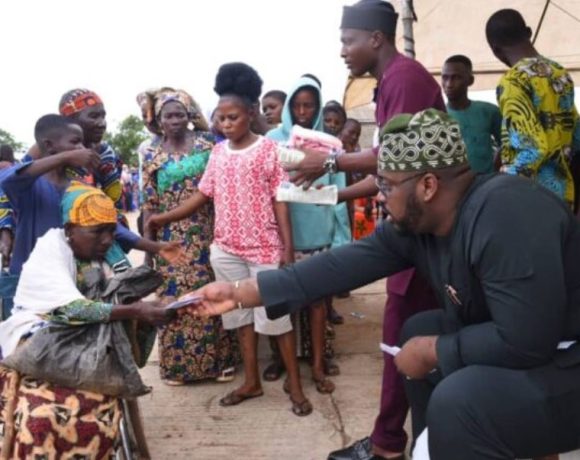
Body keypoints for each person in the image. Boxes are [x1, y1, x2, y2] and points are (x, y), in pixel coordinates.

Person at [186, 109, 580, 460]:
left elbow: (526, 340)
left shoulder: (505, 214)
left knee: (459, 402)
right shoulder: (417, 226)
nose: (380, 197)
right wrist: (237, 294)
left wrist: (435, 351)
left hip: (565, 354)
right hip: (539, 349)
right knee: (419, 328)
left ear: (427, 186)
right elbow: (337, 267)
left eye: (387, 185)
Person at [279, 2, 443, 458]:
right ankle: (396, 439)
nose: (342, 51)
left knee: (399, 339)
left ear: (375, 38)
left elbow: (398, 155)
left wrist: (329, 161)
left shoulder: (406, 79)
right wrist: (328, 193)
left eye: (348, 40)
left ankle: (390, 445)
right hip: (410, 227)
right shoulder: (390, 83)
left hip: (423, 233)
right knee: (400, 338)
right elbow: (386, 171)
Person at [146, 62, 312, 416]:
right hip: (226, 250)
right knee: (240, 321)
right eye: (220, 119)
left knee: (277, 321)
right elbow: (202, 195)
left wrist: (287, 247)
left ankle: (296, 388)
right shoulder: (218, 153)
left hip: (264, 251)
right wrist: (163, 217)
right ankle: (251, 382)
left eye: (232, 117)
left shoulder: (267, 150)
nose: (225, 125)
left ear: (251, 114)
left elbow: (280, 199)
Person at [0, 183, 173, 459]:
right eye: (97, 232)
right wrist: (136, 311)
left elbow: (127, 307)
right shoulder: (50, 251)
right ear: (69, 230)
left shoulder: (110, 260)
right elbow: (69, 310)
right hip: (42, 350)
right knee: (37, 416)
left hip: (94, 355)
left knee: (92, 411)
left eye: (110, 230)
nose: (106, 240)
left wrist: (154, 311)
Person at [0, 115, 183, 277]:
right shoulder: (29, 186)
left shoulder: (80, 189)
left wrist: (158, 248)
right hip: (29, 279)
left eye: (82, 143)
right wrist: (66, 157)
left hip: (68, 279)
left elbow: (115, 230)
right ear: (49, 145)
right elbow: (7, 180)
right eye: (75, 142)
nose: (82, 148)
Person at [141, 89, 239, 385]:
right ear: (158, 120)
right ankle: (177, 368)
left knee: (212, 293)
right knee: (175, 299)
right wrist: (148, 251)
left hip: (207, 231)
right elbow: (149, 205)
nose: (174, 120)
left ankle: (219, 363)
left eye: (180, 114)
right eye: (168, 115)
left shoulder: (207, 144)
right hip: (169, 239)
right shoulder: (149, 152)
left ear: (189, 116)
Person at [266, 75, 345, 390]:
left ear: (317, 106)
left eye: (309, 105)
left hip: (319, 234)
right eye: (297, 105)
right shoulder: (273, 139)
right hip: (284, 236)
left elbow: (340, 194)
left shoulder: (330, 142)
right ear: (289, 106)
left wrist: (342, 241)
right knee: (286, 304)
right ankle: (287, 365)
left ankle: (317, 366)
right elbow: (269, 189)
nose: (302, 111)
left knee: (317, 305)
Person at [486, 9, 580, 208]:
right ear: (528, 32)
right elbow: (577, 134)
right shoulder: (560, 73)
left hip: (532, 199)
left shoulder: (513, 82)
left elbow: (534, 148)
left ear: (495, 50)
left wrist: (501, 178)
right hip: (565, 194)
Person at [441, 55, 502, 174]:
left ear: (470, 80)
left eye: (456, 78)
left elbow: (507, 142)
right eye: (445, 78)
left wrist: (495, 166)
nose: (449, 84)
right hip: (452, 186)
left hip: (485, 183)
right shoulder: (437, 115)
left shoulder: (488, 111)